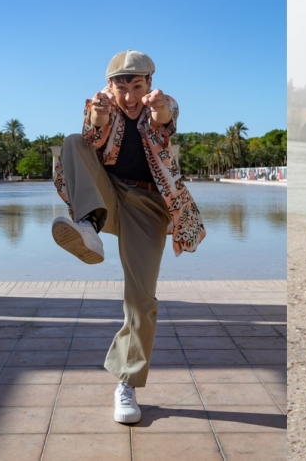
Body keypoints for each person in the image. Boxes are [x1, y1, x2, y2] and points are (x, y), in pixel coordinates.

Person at [52, 50, 206, 424]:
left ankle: (127, 382)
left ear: (149, 83)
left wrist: (159, 110)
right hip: (109, 194)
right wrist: (100, 115)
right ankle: (88, 226)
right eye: (122, 87)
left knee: (140, 299)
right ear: (110, 85)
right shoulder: (103, 105)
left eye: (137, 86)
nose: (130, 95)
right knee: (73, 141)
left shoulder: (162, 104)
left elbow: (165, 122)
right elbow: (91, 135)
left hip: (148, 206)